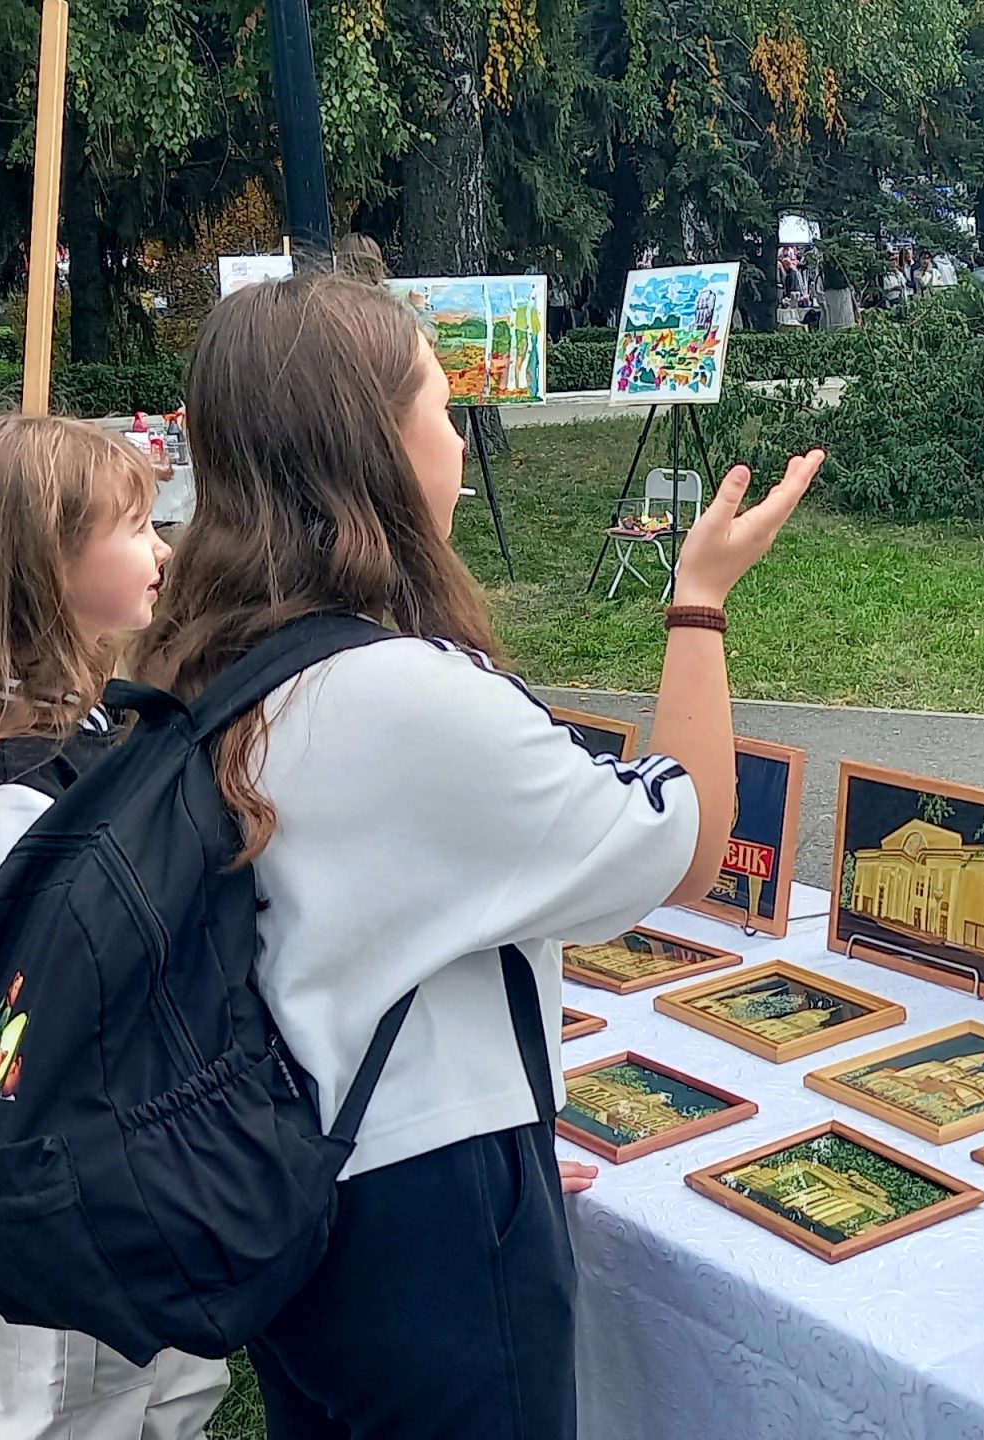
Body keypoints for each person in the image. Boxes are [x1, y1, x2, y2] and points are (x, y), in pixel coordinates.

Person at [130, 266, 821, 1439]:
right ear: (374, 448)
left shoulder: (198, 656)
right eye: (443, 411)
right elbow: (687, 843)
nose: (457, 443)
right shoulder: (399, 693)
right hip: (423, 1214)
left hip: (292, 1179)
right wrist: (699, 600)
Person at [0, 416, 226, 1440]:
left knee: (174, 1390)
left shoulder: (93, 726)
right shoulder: (17, 788)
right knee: (64, 1406)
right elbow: (68, 1006)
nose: (163, 550)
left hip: (144, 1165)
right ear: (44, 562)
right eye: (135, 527)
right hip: (73, 1187)